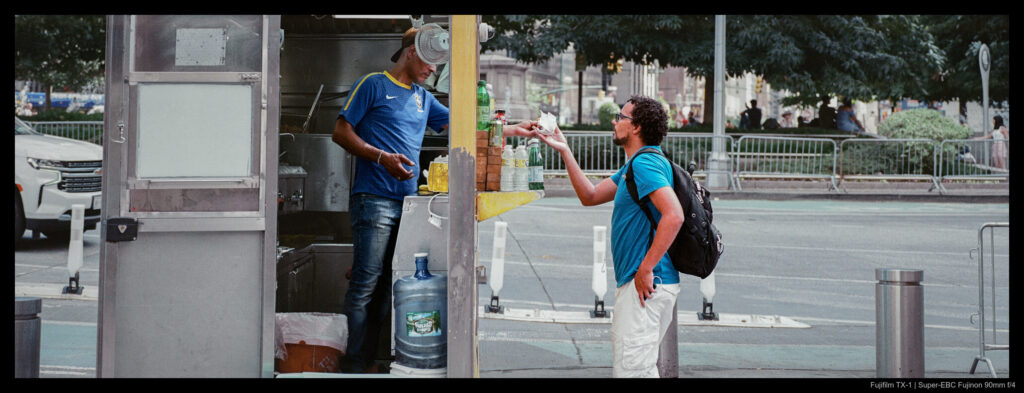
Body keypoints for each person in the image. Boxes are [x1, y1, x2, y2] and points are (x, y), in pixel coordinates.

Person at [331, 27, 538, 373]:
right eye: (429, 62)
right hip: (374, 201)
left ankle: (371, 359)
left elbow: (463, 125)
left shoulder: (422, 98)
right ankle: (353, 365)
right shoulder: (373, 85)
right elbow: (340, 131)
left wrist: (515, 128)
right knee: (366, 285)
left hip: (409, 204)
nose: (433, 70)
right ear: (411, 52)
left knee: (390, 286)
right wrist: (382, 157)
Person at [535, 95, 683, 378]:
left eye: (620, 117)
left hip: (647, 284)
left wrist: (646, 267)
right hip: (646, 284)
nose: (615, 122)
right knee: (636, 370)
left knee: (633, 372)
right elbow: (590, 196)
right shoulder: (633, 166)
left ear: (636, 127)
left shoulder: (645, 164)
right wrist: (565, 149)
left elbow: (674, 215)